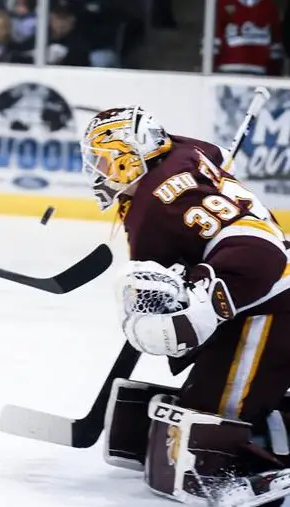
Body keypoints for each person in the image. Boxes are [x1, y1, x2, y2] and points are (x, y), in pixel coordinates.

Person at [82, 106, 290, 505]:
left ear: (130, 156)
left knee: (218, 413)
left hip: (271, 296)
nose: (99, 171)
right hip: (256, 283)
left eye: (106, 159)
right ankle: (270, 419)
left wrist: (175, 310)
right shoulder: (185, 153)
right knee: (200, 400)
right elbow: (210, 149)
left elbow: (260, 261)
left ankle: (245, 470)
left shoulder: (148, 210)